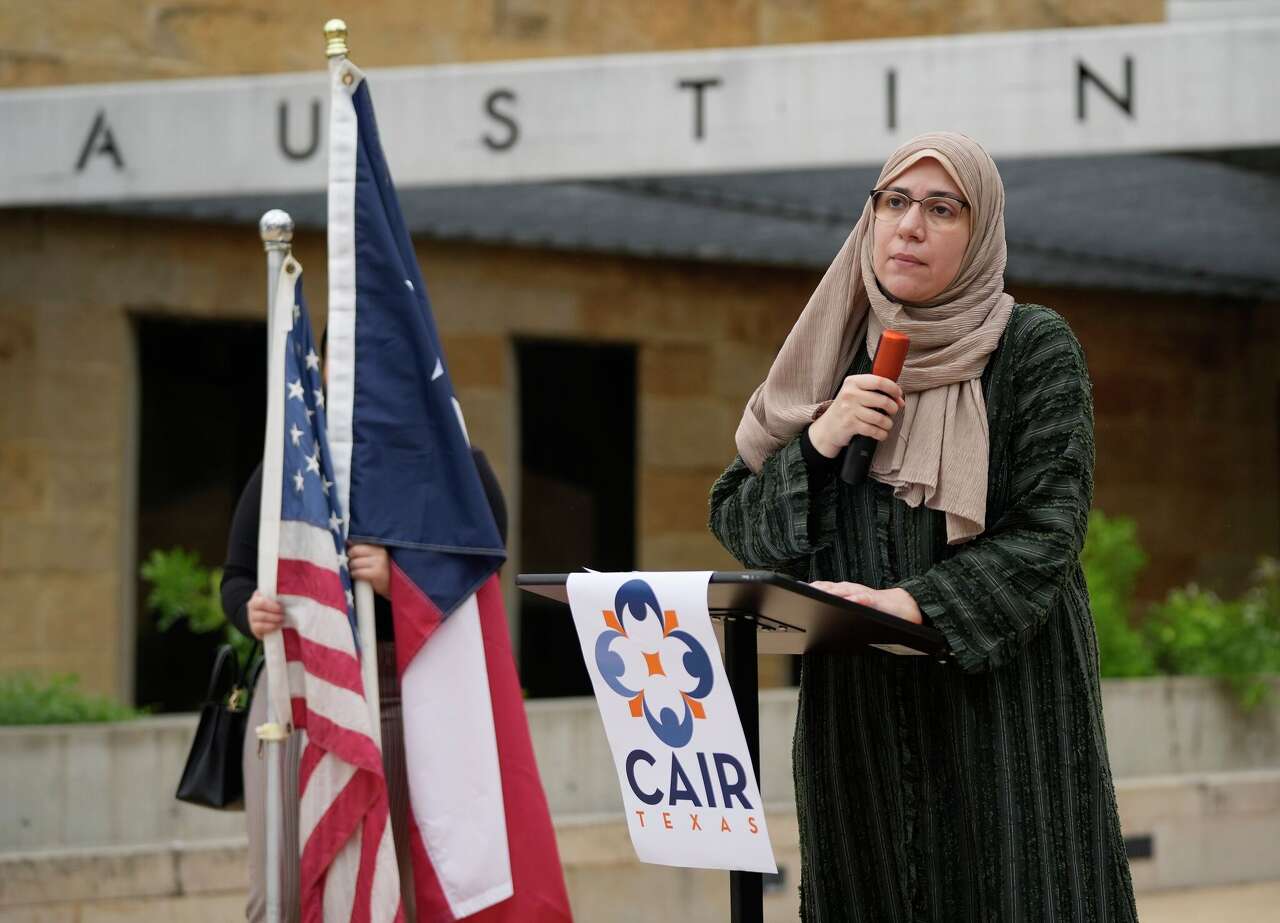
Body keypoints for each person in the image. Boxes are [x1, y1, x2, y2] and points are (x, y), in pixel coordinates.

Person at [708, 132, 1138, 921]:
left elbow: (1047, 534)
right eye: (895, 202)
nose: (910, 225)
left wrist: (913, 605)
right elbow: (740, 520)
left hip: (1003, 720)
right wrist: (819, 438)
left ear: (979, 236)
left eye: (943, 209)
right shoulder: (830, 355)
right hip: (858, 732)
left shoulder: (1032, 349)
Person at [221, 448, 507, 922]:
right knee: (279, 892)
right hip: (296, 688)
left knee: (401, 887)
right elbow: (237, 577)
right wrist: (249, 610)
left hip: (406, 687)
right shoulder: (292, 456)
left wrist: (402, 580)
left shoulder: (454, 457)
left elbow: (485, 567)